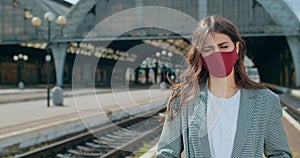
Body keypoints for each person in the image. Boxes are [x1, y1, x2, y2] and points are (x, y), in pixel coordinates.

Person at [156, 15, 292, 158]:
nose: (218, 54)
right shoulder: (183, 100)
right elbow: (166, 153)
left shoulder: (265, 101)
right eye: (208, 49)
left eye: (224, 46)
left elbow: (280, 154)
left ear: (237, 48)